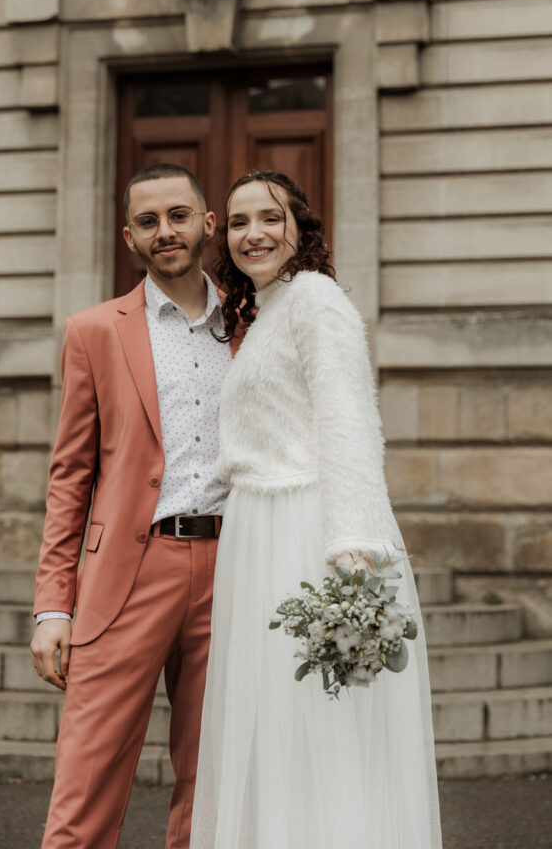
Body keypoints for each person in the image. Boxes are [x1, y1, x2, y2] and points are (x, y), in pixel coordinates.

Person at [190, 171, 442, 849]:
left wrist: (352, 550)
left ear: (299, 226)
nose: (253, 234)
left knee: (319, 730)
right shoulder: (263, 312)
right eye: (239, 223)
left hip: (304, 534)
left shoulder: (314, 299)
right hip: (255, 535)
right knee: (271, 729)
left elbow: (348, 421)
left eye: (269, 217)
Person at [31, 163, 234, 849]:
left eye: (177, 215)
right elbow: (70, 477)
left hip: (235, 569)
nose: (164, 231)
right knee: (86, 783)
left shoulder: (253, 324)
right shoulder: (93, 331)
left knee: (214, 785)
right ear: (129, 237)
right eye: (148, 221)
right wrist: (53, 604)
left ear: (207, 224)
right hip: (128, 568)